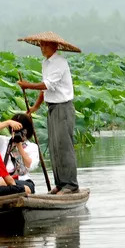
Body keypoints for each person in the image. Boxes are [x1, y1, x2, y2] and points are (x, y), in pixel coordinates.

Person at [16, 31, 80, 194]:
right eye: (41, 45)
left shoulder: (60, 62)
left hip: (63, 107)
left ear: (55, 46)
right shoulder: (46, 63)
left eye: (45, 45)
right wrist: (36, 107)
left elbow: (47, 85)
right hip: (52, 107)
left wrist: (27, 85)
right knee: (54, 146)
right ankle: (60, 183)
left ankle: (71, 184)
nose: (42, 48)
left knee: (64, 146)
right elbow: (45, 90)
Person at [0, 112, 42, 195]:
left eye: (22, 131)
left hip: (23, 180)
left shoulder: (32, 147)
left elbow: (30, 166)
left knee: (28, 188)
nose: (19, 133)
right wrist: (8, 122)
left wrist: (19, 146)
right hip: (2, 181)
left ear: (27, 131)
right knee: (2, 183)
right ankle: (14, 188)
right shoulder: (4, 142)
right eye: (16, 130)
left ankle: (14, 188)